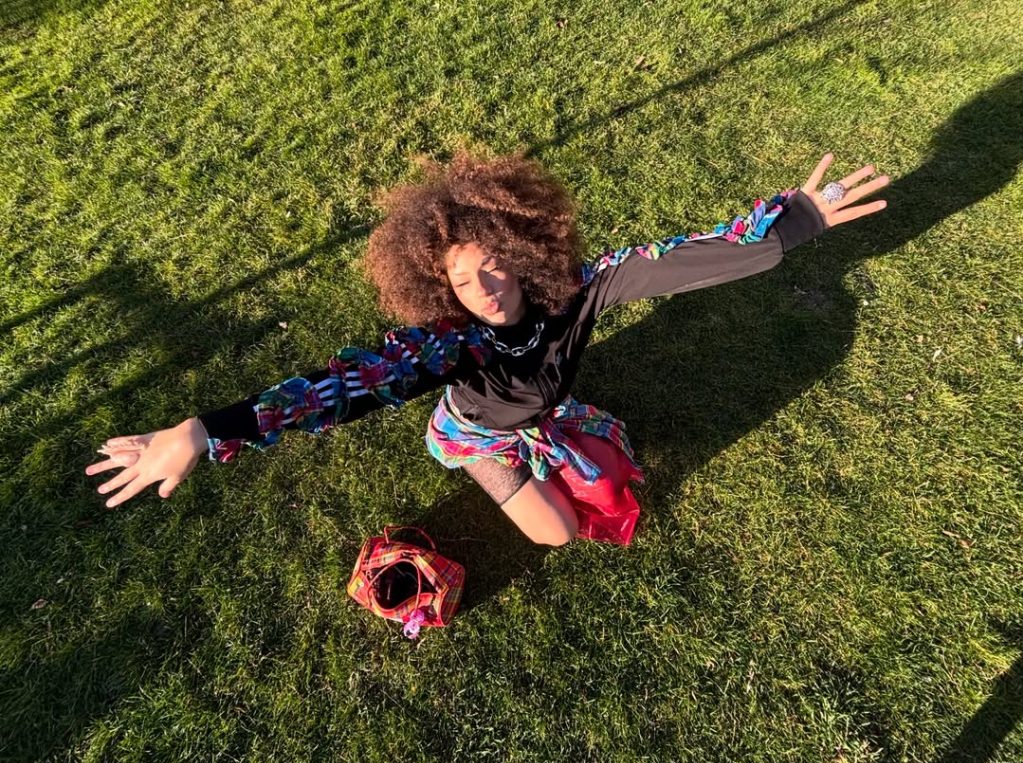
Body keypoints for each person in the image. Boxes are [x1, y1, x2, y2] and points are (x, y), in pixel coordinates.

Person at [85, 151, 889, 546]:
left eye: (496, 261)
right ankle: (466, 451)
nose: (488, 287)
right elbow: (338, 387)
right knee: (557, 534)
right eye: (463, 279)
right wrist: (205, 430)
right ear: (439, 287)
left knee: (596, 487)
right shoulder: (448, 344)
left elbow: (675, 260)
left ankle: (548, 434)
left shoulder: (576, 287)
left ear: (524, 244)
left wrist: (799, 221)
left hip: (545, 410)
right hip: (480, 429)